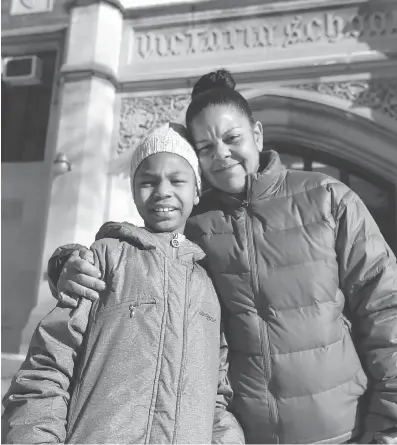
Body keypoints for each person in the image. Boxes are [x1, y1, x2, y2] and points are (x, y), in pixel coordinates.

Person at [43, 70, 397, 444]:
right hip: (246, 433)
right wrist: (66, 263)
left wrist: (392, 420)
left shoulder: (327, 198)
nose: (222, 155)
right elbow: (132, 251)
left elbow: (385, 306)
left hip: (344, 429)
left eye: (232, 138)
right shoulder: (194, 224)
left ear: (256, 134)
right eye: (206, 149)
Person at [1, 122, 244, 445]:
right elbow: (48, 366)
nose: (162, 191)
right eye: (148, 181)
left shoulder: (207, 284)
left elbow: (216, 395)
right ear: (133, 190)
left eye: (177, 180)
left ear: (196, 190)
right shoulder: (103, 260)